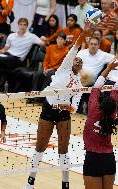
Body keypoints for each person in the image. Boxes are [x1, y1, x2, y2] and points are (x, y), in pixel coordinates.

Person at [24, 24, 89, 189]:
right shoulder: (64, 68)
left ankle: (65, 184)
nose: (78, 61)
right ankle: (30, 182)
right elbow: (75, 47)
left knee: (63, 150)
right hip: (48, 109)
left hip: (63, 115)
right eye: (76, 59)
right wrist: (85, 31)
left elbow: (74, 106)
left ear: (82, 66)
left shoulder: (79, 83)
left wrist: (67, 106)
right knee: (40, 147)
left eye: (81, 61)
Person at [83, 55, 118, 189]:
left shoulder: (93, 110)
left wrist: (109, 68)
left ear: (99, 103)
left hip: (92, 159)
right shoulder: (112, 115)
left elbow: (96, 87)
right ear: (114, 108)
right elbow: (117, 89)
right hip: (108, 160)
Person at [0, 18, 46, 94]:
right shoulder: (11, 36)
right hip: (7, 55)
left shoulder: (32, 36)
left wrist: (44, 39)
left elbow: (43, 44)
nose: (22, 27)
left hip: (17, 59)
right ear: (18, 25)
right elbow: (4, 49)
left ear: (27, 26)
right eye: (21, 24)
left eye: (24, 25)